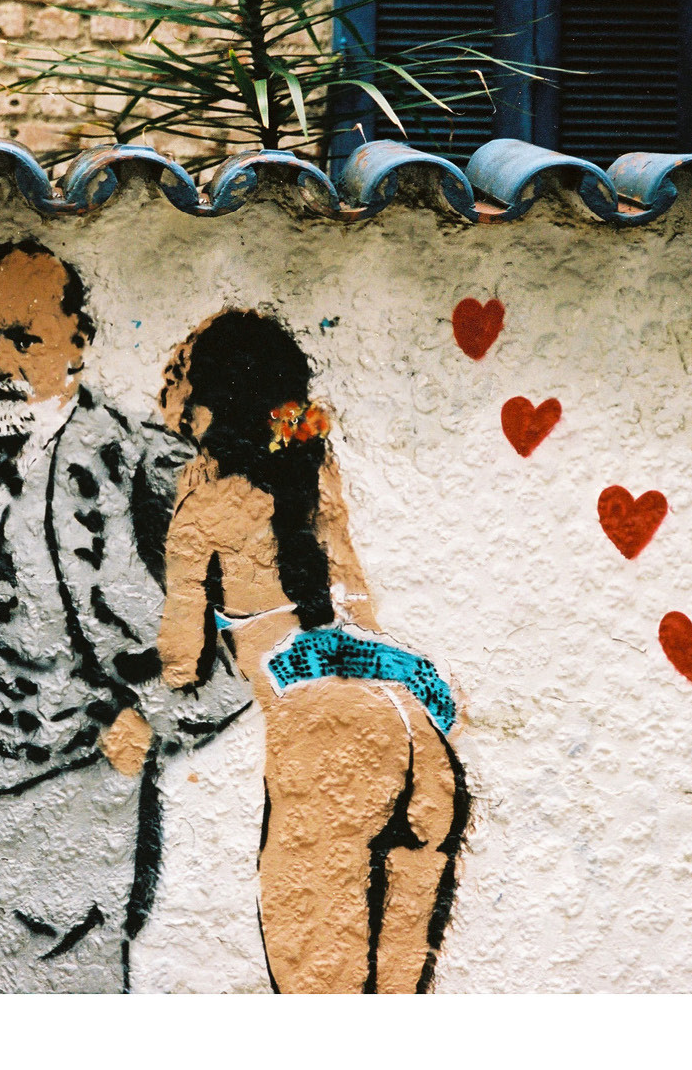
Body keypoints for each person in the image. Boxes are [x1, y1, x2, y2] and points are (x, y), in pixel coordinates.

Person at [0, 238, 252, 993]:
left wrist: (146, 726)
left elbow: (245, 638)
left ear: (78, 344)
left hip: (69, 832)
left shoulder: (142, 465)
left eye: (22, 338)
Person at [155, 309, 470, 993]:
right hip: (418, 730)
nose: (166, 391)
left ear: (209, 401)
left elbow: (180, 662)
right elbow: (357, 605)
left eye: (178, 376)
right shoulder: (317, 477)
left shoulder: (202, 507)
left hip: (328, 741)